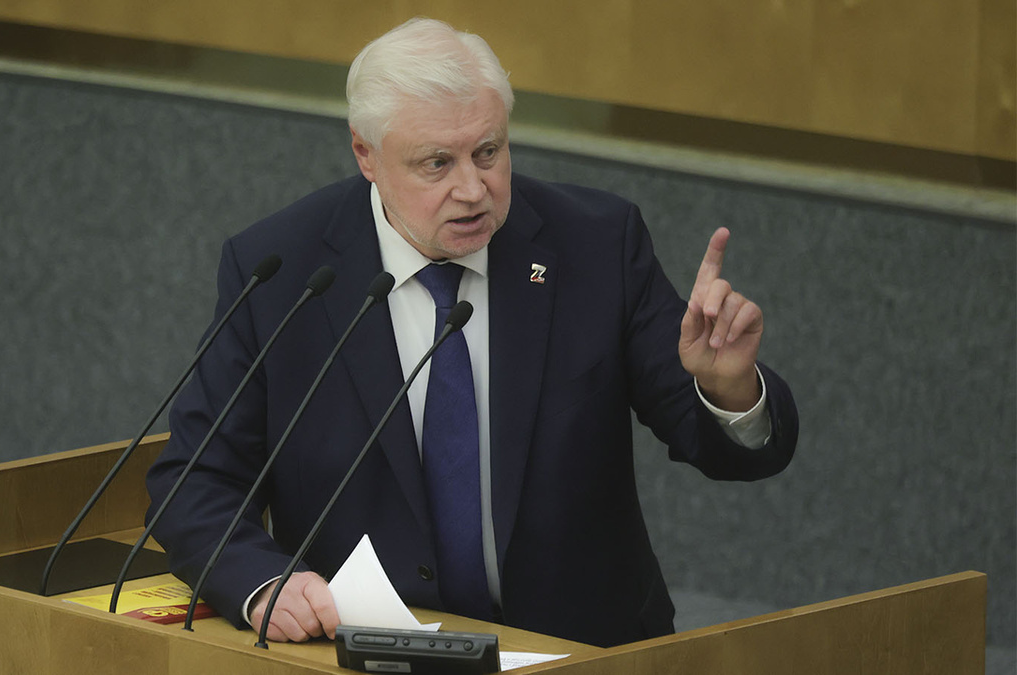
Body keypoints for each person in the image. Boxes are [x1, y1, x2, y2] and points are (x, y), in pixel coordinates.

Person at [145, 17, 798, 648]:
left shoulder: (595, 244)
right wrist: (264, 584)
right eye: (436, 163)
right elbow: (194, 483)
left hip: (579, 649)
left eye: (488, 152)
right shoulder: (283, 272)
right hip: (364, 650)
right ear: (366, 154)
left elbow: (718, 443)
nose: (472, 189)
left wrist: (729, 389)